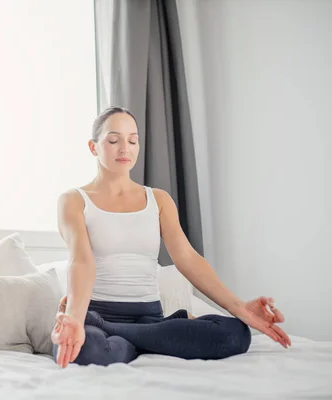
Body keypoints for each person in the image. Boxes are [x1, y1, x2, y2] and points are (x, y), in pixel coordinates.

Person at [51, 106, 291, 368]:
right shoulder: (73, 200)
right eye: (113, 140)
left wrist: (241, 309)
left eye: (133, 140)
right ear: (93, 147)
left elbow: (187, 258)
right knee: (85, 350)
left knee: (236, 334)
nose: (125, 148)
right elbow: (81, 261)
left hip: (149, 318)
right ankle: (140, 338)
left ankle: (116, 333)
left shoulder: (159, 200)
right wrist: (75, 319)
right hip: (97, 311)